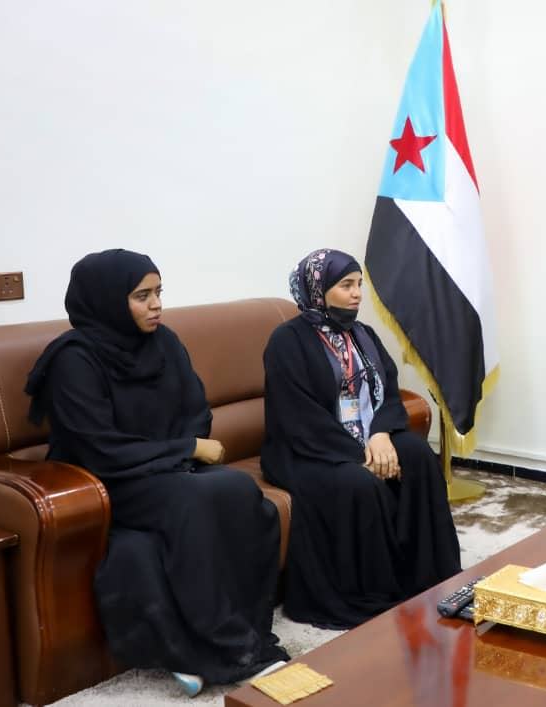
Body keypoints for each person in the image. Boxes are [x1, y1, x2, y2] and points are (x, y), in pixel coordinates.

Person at [25, 249, 288, 697]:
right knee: (197, 499)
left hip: (170, 471)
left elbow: (196, 410)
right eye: (141, 296)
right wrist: (184, 449)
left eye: (158, 292)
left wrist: (180, 455)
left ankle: (240, 632)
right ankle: (232, 647)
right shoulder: (74, 359)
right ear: (108, 300)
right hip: (107, 481)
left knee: (241, 492)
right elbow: (98, 446)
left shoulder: (164, 342)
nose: (156, 305)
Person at [261, 248, 461, 629]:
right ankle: (373, 594)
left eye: (358, 285)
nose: (356, 294)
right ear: (318, 291)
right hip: (306, 449)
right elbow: (299, 418)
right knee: (359, 482)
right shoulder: (286, 342)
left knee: (418, 456)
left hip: (366, 436)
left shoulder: (362, 334)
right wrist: (360, 452)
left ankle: (428, 577)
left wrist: (381, 433)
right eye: (346, 285)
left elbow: (389, 390)